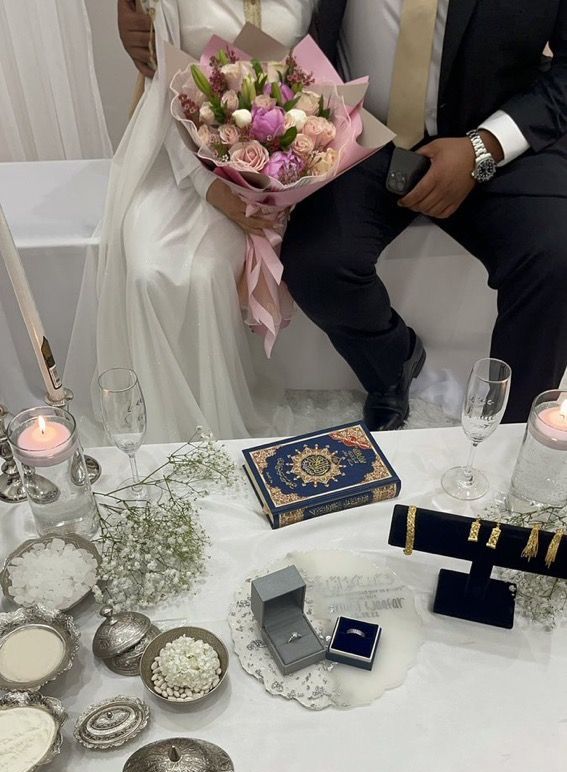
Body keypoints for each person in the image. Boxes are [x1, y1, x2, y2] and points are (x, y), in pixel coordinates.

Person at [280, 0, 567, 429]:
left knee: (556, 258)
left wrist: (484, 146)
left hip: (496, 125)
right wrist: (144, 15)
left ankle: (510, 428)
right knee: (316, 261)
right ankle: (393, 366)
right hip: (361, 131)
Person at [94, 0, 316, 442]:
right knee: (149, 272)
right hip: (180, 159)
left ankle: (217, 425)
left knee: (203, 272)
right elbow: (163, 94)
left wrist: (296, 169)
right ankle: (168, 433)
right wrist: (211, 187)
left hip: (277, 167)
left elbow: (319, 75)